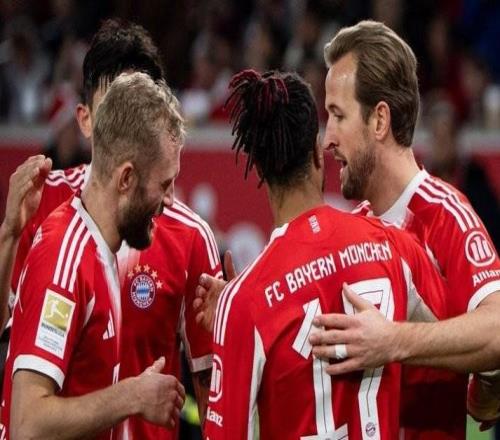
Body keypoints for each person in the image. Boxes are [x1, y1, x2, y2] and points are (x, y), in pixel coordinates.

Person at [0, 19, 220, 439]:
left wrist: (234, 317)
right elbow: (27, 424)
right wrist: (131, 396)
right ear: (90, 121)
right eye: (118, 109)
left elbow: (213, 393)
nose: (171, 198)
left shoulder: (114, 238)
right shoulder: (58, 232)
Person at [203, 69, 449, 439]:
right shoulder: (392, 245)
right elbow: (465, 340)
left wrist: (234, 324)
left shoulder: (245, 301)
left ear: (259, 170)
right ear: (318, 153)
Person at [308, 20, 500, 439]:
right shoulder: (352, 227)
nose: (328, 139)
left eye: (338, 115)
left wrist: (393, 340)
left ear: (379, 120)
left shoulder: (445, 214)